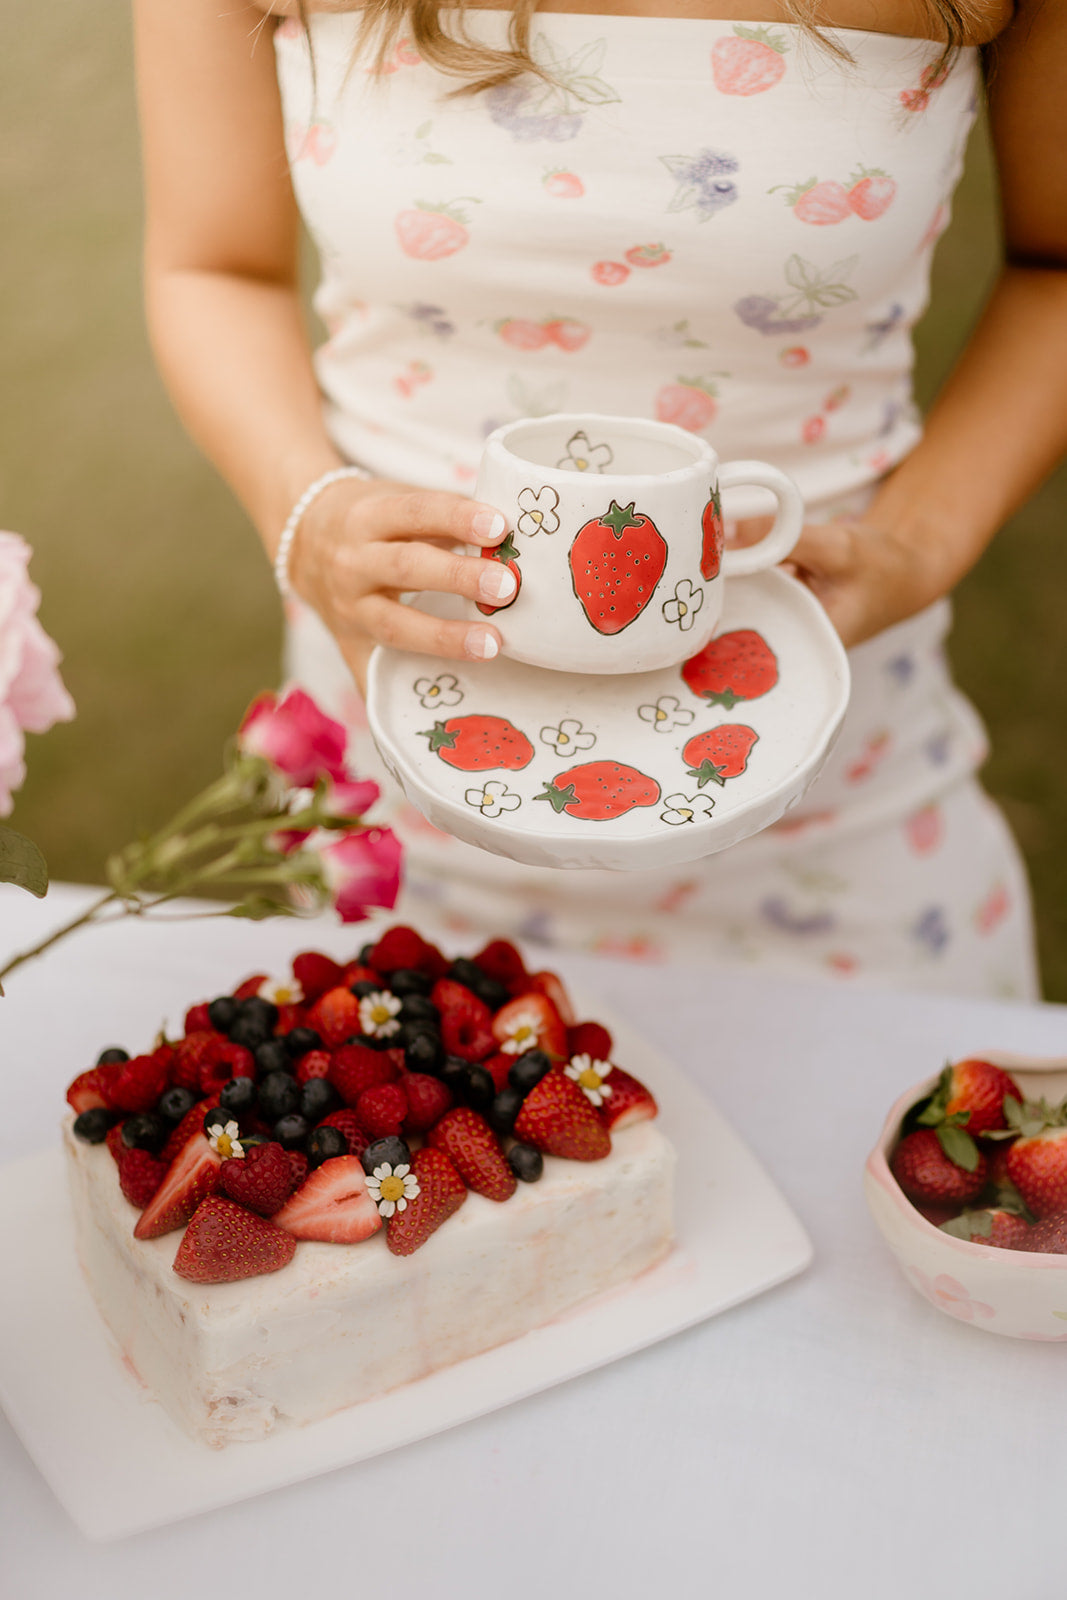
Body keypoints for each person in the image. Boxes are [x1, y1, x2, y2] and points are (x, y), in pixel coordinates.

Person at [132, 0, 1067, 997]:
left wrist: (919, 543)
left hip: (839, 831)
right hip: (387, 834)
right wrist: (304, 511)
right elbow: (212, 265)